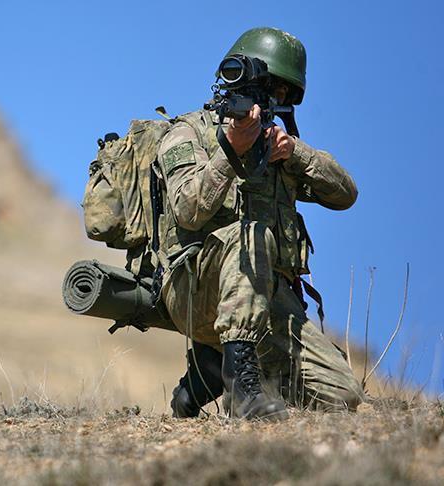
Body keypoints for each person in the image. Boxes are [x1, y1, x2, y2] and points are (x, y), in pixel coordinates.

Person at [154, 27, 364, 420]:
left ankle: (212, 366)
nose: (274, 100)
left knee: (343, 394)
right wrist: (230, 152)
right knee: (252, 234)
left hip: (264, 302)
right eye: (269, 89)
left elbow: (346, 194)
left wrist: (295, 153)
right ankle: (240, 389)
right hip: (194, 288)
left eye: (283, 95)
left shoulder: (277, 148)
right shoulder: (188, 132)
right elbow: (186, 209)